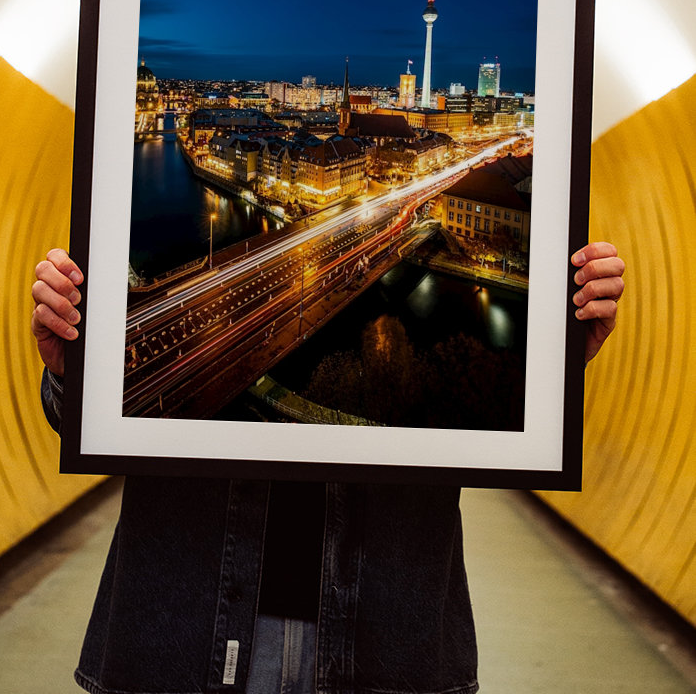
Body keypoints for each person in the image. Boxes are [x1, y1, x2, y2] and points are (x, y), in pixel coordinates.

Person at [32, 242, 625, 694]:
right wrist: (74, 371)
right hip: (190, 628)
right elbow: (85, 422)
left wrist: (550, 365)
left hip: (381, 637)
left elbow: (500, 427)